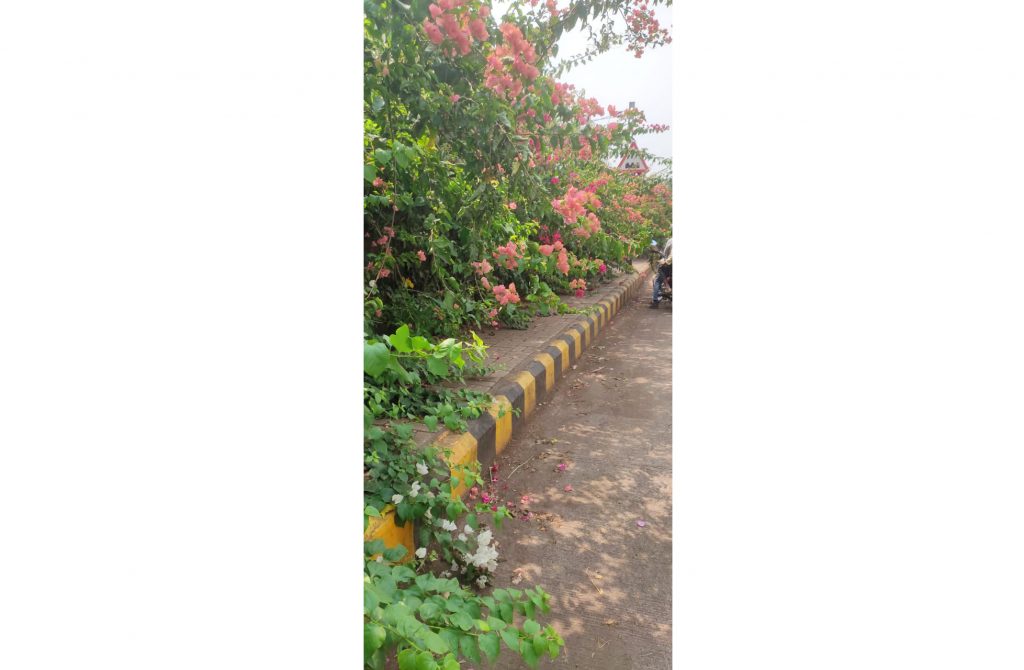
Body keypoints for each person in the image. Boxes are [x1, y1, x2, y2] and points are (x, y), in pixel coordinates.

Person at [650, 236, 672, 308]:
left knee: (657, 281)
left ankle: (655, 301)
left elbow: (667, 254)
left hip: (669, 264)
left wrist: (666, 261)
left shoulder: (671, 241)